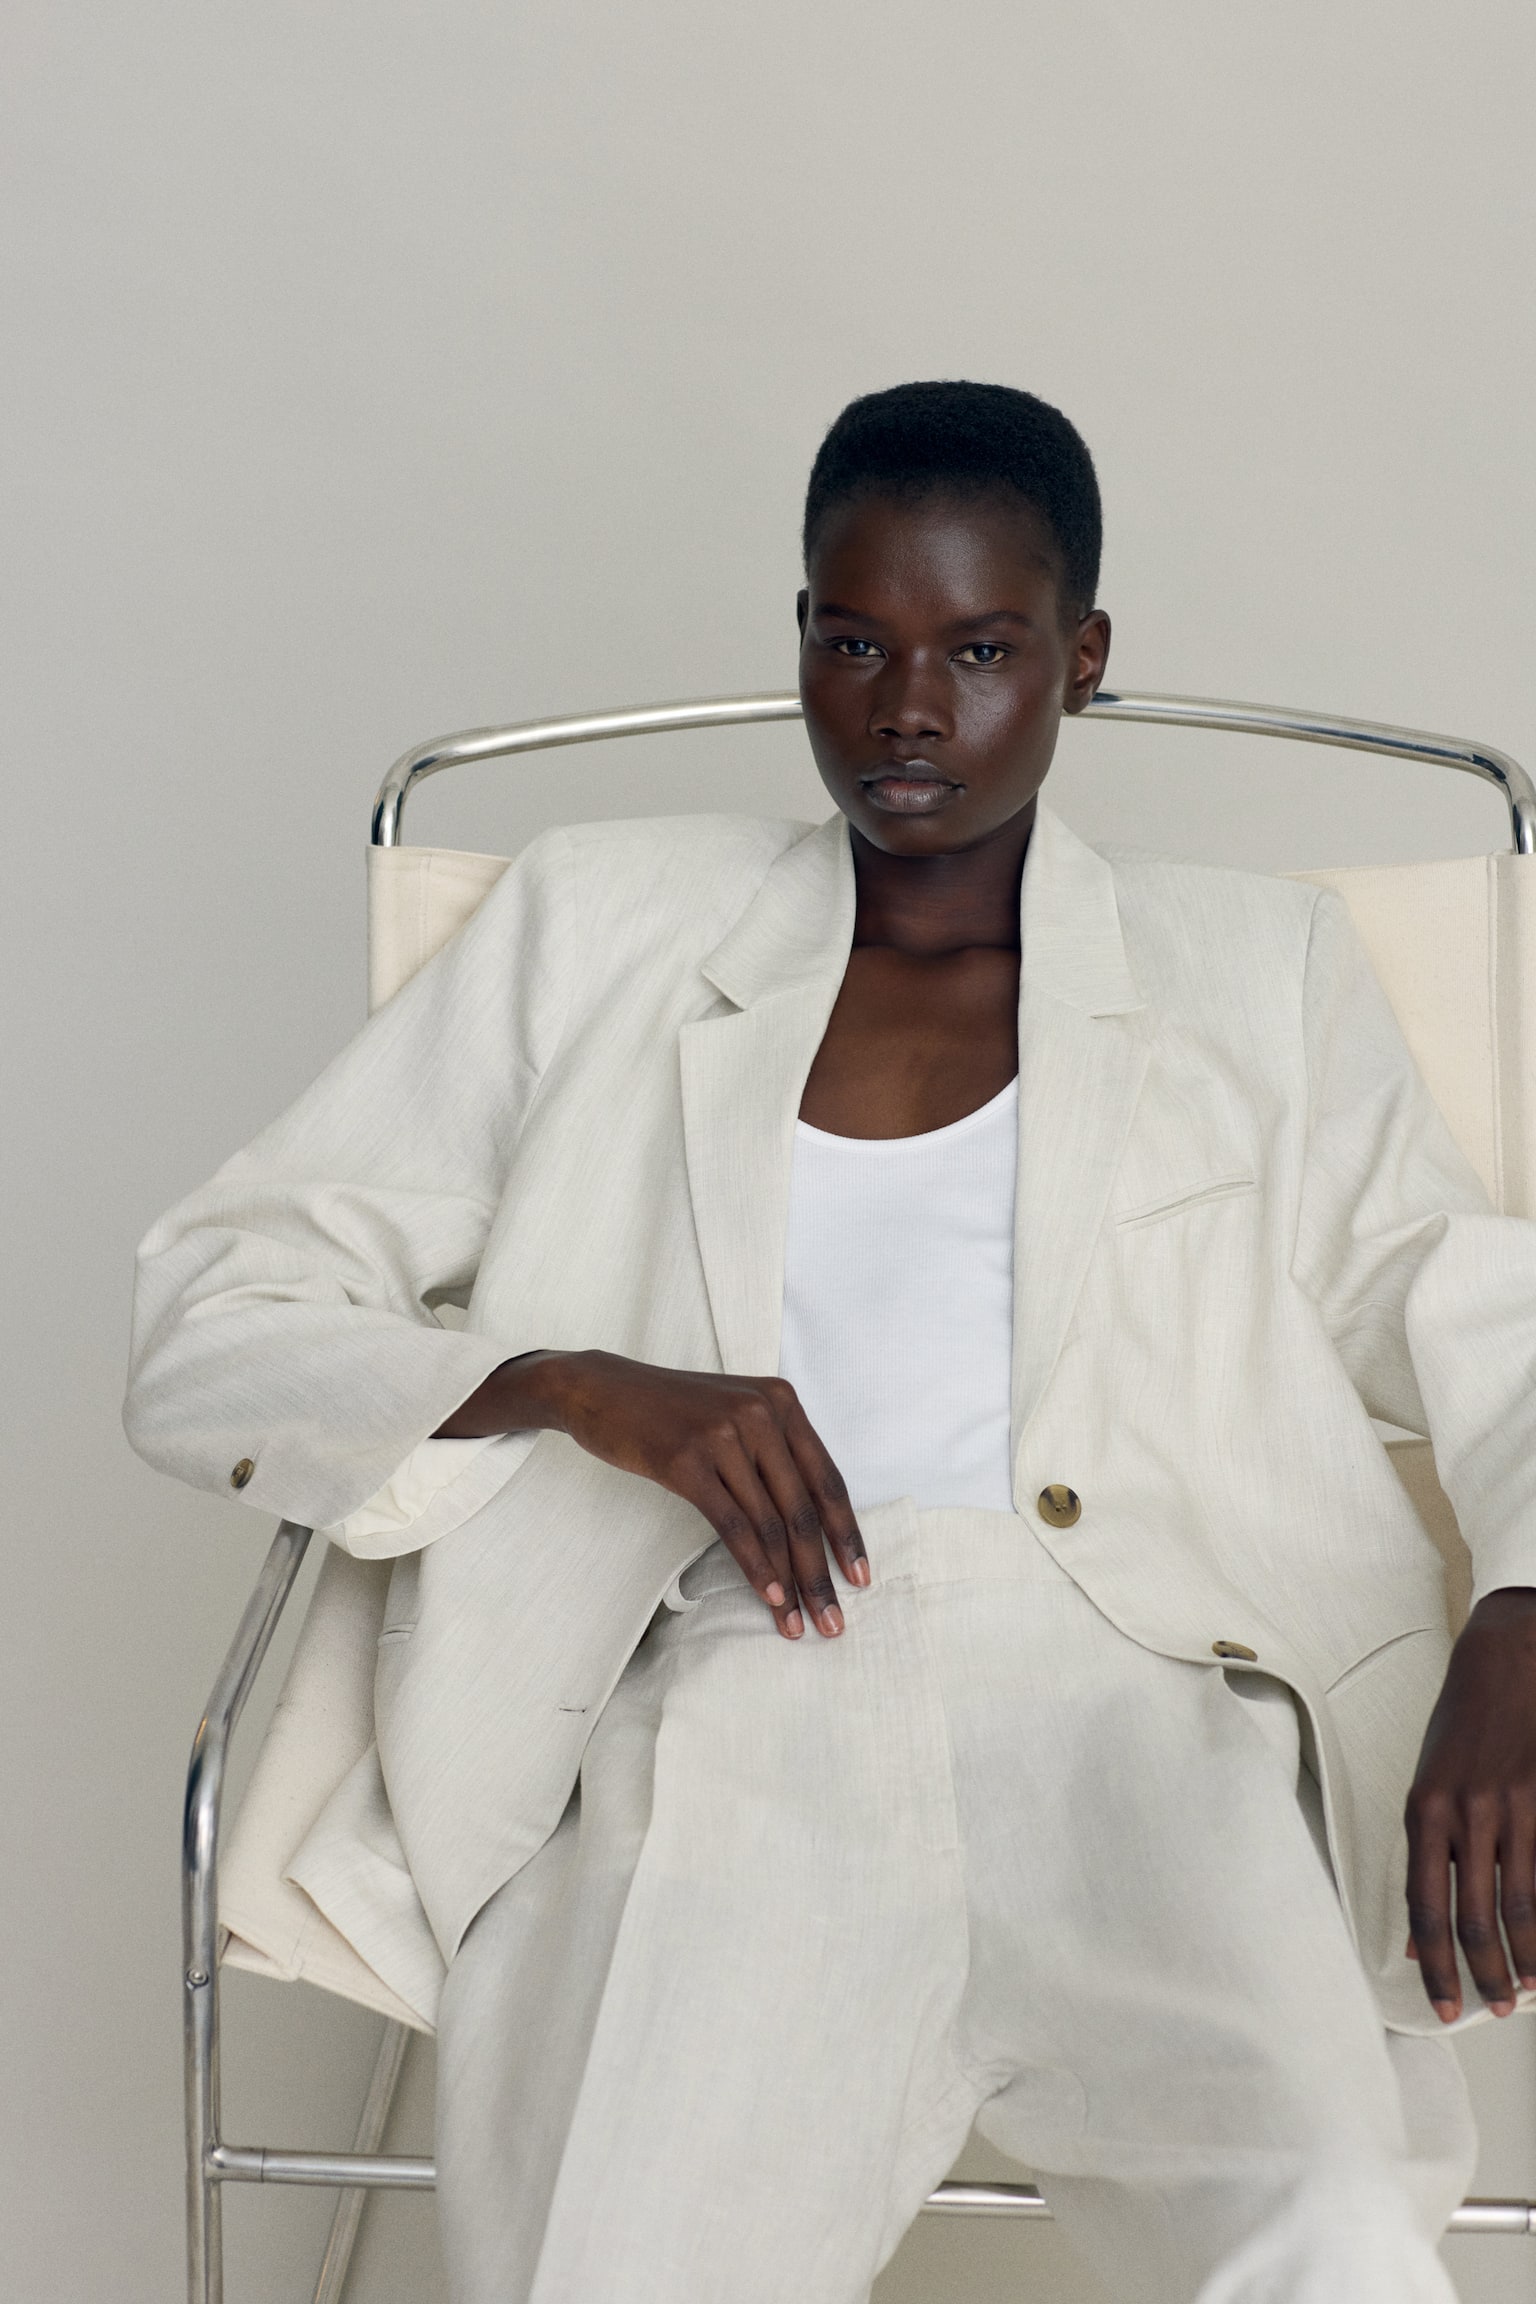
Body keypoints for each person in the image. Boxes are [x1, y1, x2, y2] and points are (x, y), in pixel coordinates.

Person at [126, 381, 1536, 2303]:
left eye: (982, 651)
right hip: (732, 1702)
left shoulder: (1253, 969)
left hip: (1149, 1714)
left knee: (1330, 2235)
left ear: (1084, 658)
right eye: (855, 642)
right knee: (617, 2266)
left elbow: (1481, 1303)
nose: (907, 711)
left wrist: (1519, 1618)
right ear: (800, 632)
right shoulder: (596, 923)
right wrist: (575, 1387)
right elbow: (216, 1306)